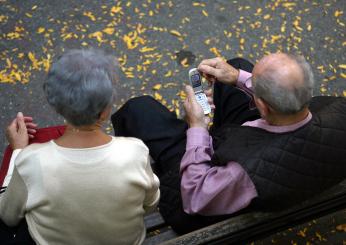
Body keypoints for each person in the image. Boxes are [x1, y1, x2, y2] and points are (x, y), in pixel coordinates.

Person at [111, 53, 346, 234]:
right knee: (238, 64)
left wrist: (197, 128)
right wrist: (239, 78)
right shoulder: (339, 111)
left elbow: (195, 197)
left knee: (139, 110)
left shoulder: (244, 173)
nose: (250, 81)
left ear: (262, 107)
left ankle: (134, 176)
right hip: (275, 146)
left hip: (196, 192)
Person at [0, 49, 160, 244]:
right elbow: (150, 204)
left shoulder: (32, 161)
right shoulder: (135, 151)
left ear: (56, 106)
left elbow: (8, 215)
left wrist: (17, 151)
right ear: (105, 111)